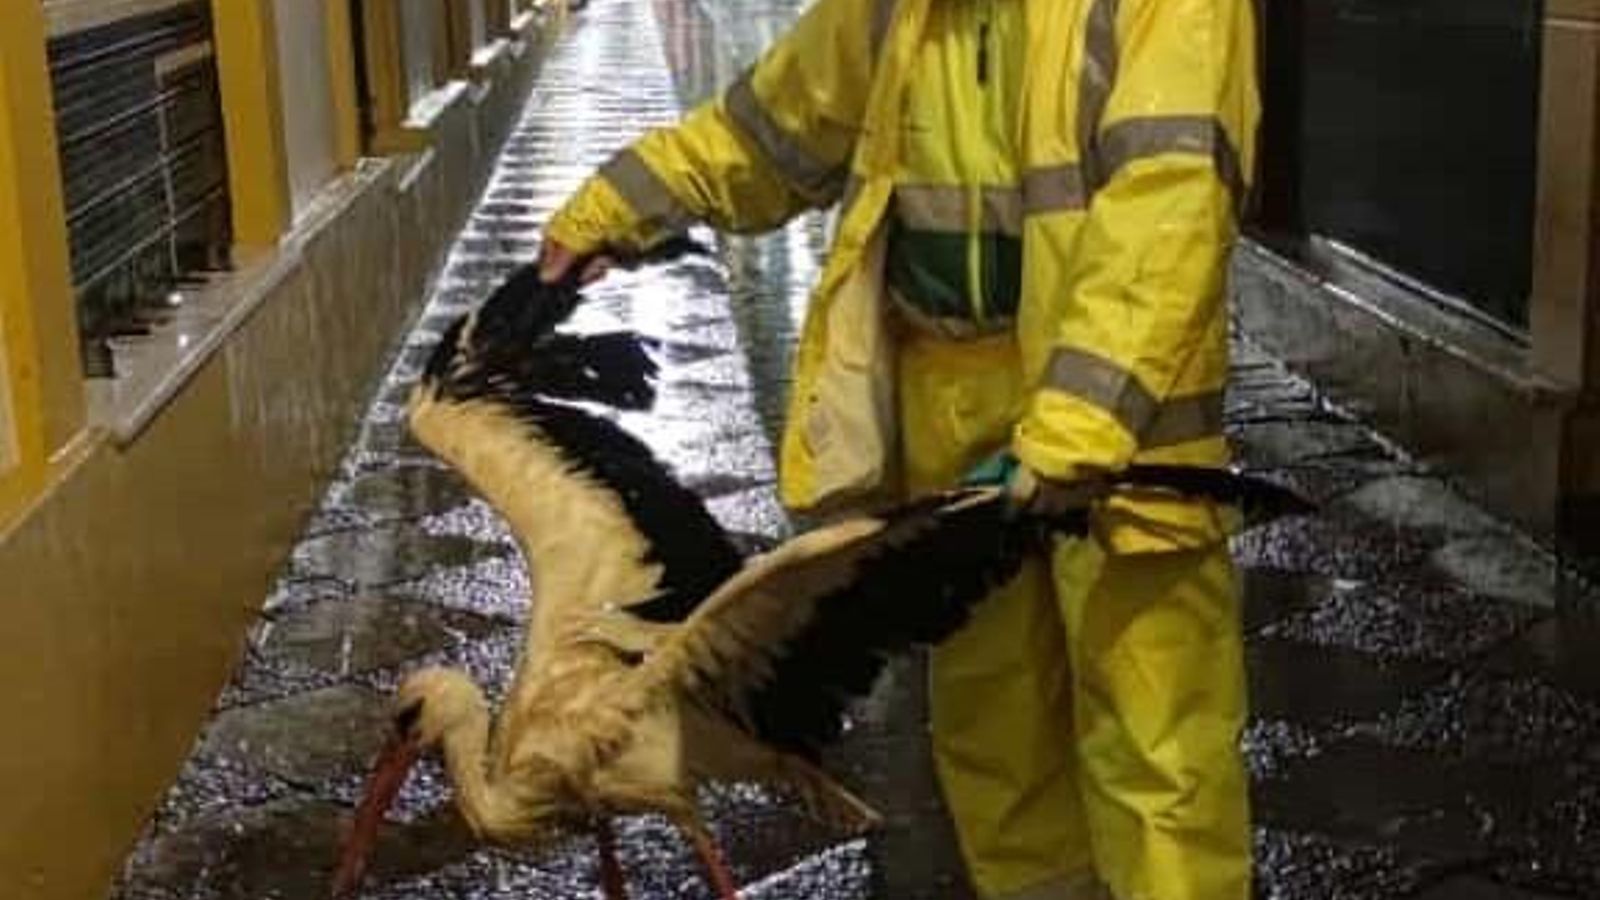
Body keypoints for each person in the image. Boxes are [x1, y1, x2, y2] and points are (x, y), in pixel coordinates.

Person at [539, 0, 1260, 897]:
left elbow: (1170, 206)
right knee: (997, 744)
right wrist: (614, 206)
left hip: (1128, 440)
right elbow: (770, 131)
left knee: (1159, 754)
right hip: (953, 415)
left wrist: (1075, 425)